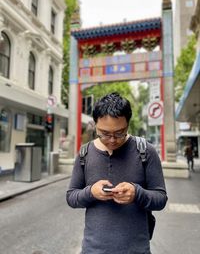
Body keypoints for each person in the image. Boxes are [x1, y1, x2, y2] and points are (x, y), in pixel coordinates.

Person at [66, 92, 168, 254]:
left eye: (120, 133)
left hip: (136, 249)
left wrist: (137, 193)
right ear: (95, 124)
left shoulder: (145, 151)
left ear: (128, 123)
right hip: (93, 250)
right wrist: (91, 192)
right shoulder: (85, 153)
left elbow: (161, 199)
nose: (112, 140)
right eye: (104, 133)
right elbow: (71, 197)